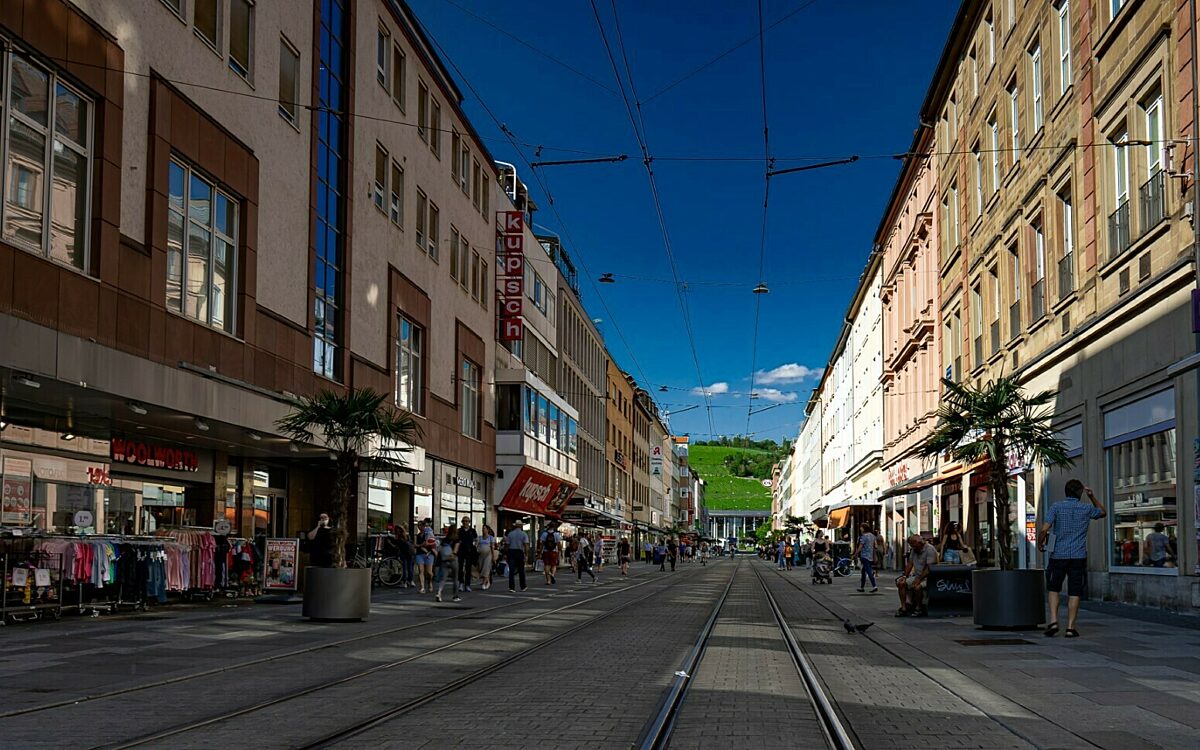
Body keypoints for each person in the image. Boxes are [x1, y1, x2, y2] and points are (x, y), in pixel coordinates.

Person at [1038, 480, 1106, 637]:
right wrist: (1092, 496)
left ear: (1065, 491)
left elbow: (1044, 529)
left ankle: (1054, 621)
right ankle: (1070, 627)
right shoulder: (1087, 508)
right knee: (1075, 591)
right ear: (1080, 493)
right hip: (1078, 556)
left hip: (1058, 555)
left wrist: (1041, 543)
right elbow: (1102, 512)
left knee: (1053, 588)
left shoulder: (1056, 507)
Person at [895, 535, 938, 617]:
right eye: (912, 546)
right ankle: (904, 608)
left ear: (919, 543)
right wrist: (904, 576)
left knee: (917, 587)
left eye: (914, 545)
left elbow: (929, 568)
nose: (913, 547)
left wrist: (919, 579)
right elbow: (910, 564)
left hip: (928, 577)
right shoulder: (914, 550)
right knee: (901, 583)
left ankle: (919, 608)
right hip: (917, 575)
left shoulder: (930, 550)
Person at [433, 527, 461, 603]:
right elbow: (455, 551)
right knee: (455, 578)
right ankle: (455, 596)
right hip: (453, 560)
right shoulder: (457, 540)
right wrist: (452, 555)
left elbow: (439, 550)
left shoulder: (445, 540)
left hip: (444, 560)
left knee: (443, 578)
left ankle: (439, 593)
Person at [505, 520, 529, 592]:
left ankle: (511, 587)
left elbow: (507, 545)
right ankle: (523, 586)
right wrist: (526, 555)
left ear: (515, 525)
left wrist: (506, 554)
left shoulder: (510, 534)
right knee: (521, 570)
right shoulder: (524, 534)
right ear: (521, 526)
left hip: (511, 552)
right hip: (519, 552)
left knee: (511, 571)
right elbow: (526, 545)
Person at [854, 523, 878, 593]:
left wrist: (855, 554)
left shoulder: (864, 536)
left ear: (864, 528)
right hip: (870, 556)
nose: (860, 529)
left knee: (868, 571)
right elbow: (875, 546)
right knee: (863, 572)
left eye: (861, 527)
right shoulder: (872, 536)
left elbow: (860, 547)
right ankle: (862, 587)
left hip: (864, 556)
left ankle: (874, 586)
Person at [457, 517, 478, 592]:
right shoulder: (459, 531)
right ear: (462, 522)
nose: (466, 523)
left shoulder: (472, 531)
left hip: (469, 551)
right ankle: (461, 583)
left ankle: (467, 585)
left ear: (469, 522)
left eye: (467, 521)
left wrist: (475, 546)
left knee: (468, 568)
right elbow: (457, 541)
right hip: (461, 551)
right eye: (464, 521)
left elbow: (476, 539)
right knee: (460, 568)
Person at [415, 527, 436, 594]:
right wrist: (422, 545)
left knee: (429, 572)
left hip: (429, 555)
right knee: (421, 571)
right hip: (420, 554)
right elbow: (415, 545)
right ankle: (422, 587)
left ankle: (430, 582)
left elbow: (433, 546)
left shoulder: (430, 535)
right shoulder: (418, 535)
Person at [477, 524, 497, 590]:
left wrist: (493, 557)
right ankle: (487, 581)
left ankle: (484, 583)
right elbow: (476, 546)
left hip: (488, 555)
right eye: (483, 528)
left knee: (486, 568)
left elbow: (492, 548)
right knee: (481, 568)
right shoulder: (479, 537)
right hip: (480, 555)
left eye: (484, 528)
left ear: (488, 530)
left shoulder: (491, 537)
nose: (483, 530)